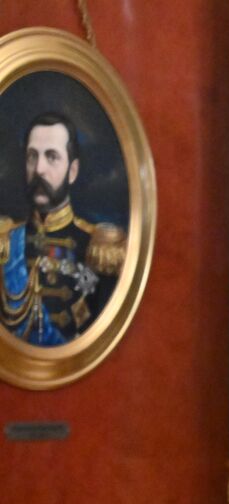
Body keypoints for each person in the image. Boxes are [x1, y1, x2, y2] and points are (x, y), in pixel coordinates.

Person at [1, 112, 126, 345]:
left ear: (73, 171)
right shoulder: (5, 241)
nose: (39, 169)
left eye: (51, 157)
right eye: (31, 156)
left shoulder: (101, 248)